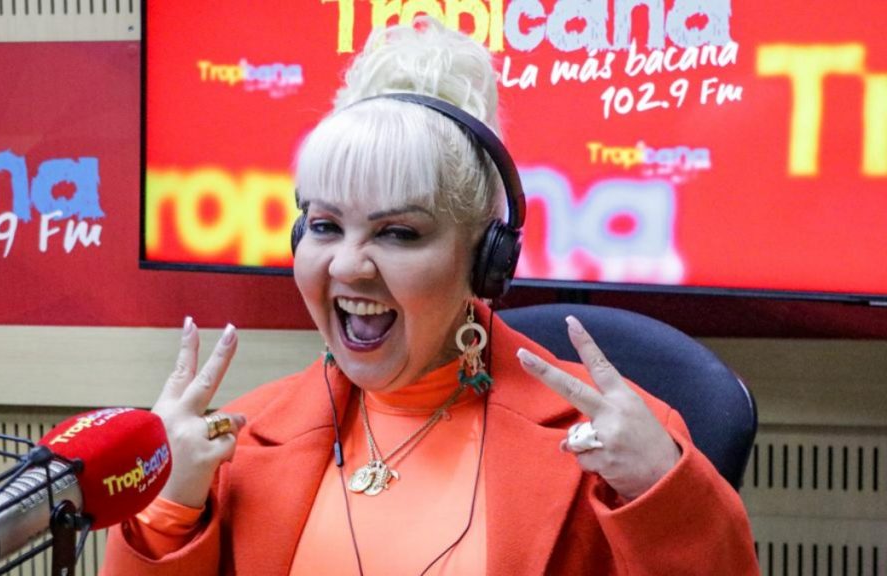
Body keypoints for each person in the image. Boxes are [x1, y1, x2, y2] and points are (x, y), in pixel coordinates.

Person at [103, 18, 759, 575]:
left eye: (398, 233)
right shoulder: (235, 445)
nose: (348, 264)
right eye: (325, 226)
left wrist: (659, 490)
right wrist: (168, 509)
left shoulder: (617, 444)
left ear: (484, 259)